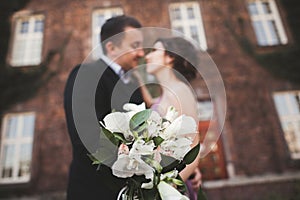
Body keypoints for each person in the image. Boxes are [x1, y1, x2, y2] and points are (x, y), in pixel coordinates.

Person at [64, 15, 145, 199]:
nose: (142, 53)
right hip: (95, 190)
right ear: (111, 47)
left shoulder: (133, 84)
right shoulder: (86, 74)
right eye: (135, 46)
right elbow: (86, 137)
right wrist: (138, 164)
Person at [133, 37, 202, 199]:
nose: (147, 57)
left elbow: (194, 148)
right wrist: (138, 79)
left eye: (155, 51)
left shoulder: (181, 91)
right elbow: (153, 105)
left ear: (170, 57)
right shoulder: (166, 93)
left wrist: (168, 187)